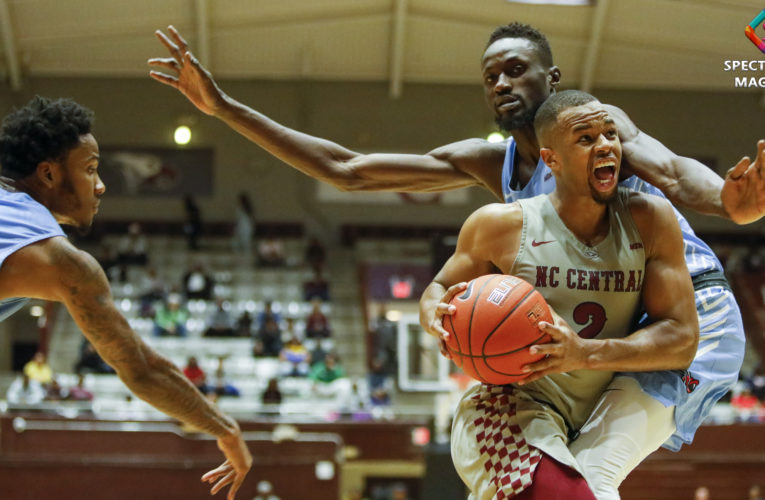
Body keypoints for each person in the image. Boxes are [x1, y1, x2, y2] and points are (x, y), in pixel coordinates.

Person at [149, 22, 756, 496]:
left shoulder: (594, 127)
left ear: (553, 76)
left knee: (591, 476)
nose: (500, 84)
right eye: (490, 76)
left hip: (683, 316)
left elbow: (676, 173)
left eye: (516, 70)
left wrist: (730, 205)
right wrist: (224, 108)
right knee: (538, 478)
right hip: (595, 328)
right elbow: (347, 170)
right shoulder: (497, 165)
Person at [419, 91, 699, 498]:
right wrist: (434, 313)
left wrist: (583, 352)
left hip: (601, 406)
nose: (605, 145)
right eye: (585, 138)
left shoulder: (650, 219)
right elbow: (439, 289)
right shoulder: (501, 226)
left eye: (609, 133)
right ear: (551, 160)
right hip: (512, 406)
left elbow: (682, 340)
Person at [0, 96, 250, 498]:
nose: (101, 186)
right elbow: (143, 369)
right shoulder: (58, 260)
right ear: (48, 174)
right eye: (90, 170)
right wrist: (227, 430)